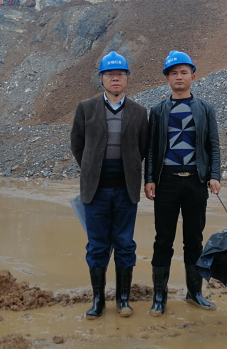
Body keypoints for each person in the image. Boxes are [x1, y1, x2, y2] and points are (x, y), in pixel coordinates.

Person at [71, 51, 148, 319]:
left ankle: (123, 299)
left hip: (126, 191)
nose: (115, 78)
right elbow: (77, 144)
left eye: (120, 74)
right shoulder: (85, 108)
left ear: (127, 78)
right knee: (97, 246)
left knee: (125, 244)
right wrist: (92, 169)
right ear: (101, 78)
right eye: (110, 74)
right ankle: (98, 300)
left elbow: (143, 148)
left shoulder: (139, 112)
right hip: (96, 191)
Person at [144, 50, 221, 316]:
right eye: (174, 73)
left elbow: (213, 145)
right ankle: (159, 296)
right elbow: (151, 148)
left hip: (196, 183)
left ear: (193, 77)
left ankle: (195, 292)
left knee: (194, 240)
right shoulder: (158, 111)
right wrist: (149, 178)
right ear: (167, 78)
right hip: (166, 183)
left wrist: (214, 175)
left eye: (184, 72)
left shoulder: (205, 109)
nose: (179, 77)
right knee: (163, 240)